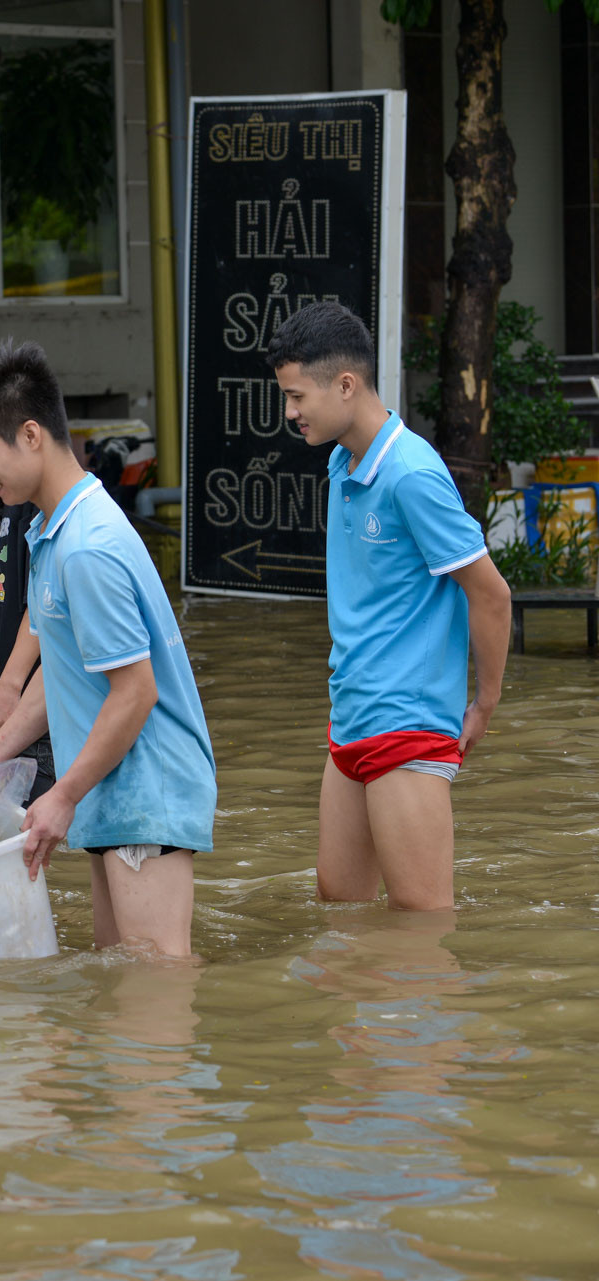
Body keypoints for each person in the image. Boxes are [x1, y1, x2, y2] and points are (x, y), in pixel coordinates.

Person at [0, 340, 215, 958]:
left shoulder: (87, 547)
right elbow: (65, 670)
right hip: (109, 786)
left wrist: (60, 795)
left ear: (31, 434)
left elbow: (136, 691)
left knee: (156, 985)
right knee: (121, 981)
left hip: (146, 790)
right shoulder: (52, 529)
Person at [265, 301, 510, 912]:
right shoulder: (342, 462)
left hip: (410, 724)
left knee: (420, 926)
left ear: (346, 385)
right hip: (350, 716)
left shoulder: (411, 474)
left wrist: (484, 702)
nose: (289, 412)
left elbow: (491, 592)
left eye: (297, 397)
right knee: (339, 910)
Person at [0, 498, 55, 801]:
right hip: (17, 707)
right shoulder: (21, 499)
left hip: (31, 709)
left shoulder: (43, 503)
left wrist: (10, 686)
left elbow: (46, 604)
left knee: (29, 835)